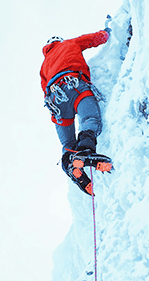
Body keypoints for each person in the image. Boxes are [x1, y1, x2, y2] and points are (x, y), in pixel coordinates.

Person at [40, 29, 112, 194]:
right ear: (59, 41)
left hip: (55, 100)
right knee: (90, 119)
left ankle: (70, 165)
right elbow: (91, 39)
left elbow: (44, 88)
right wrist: (107, 33)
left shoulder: (44, 66)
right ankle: (85, 151)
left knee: (67, 144)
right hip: (74, 85)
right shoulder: (69, 43)